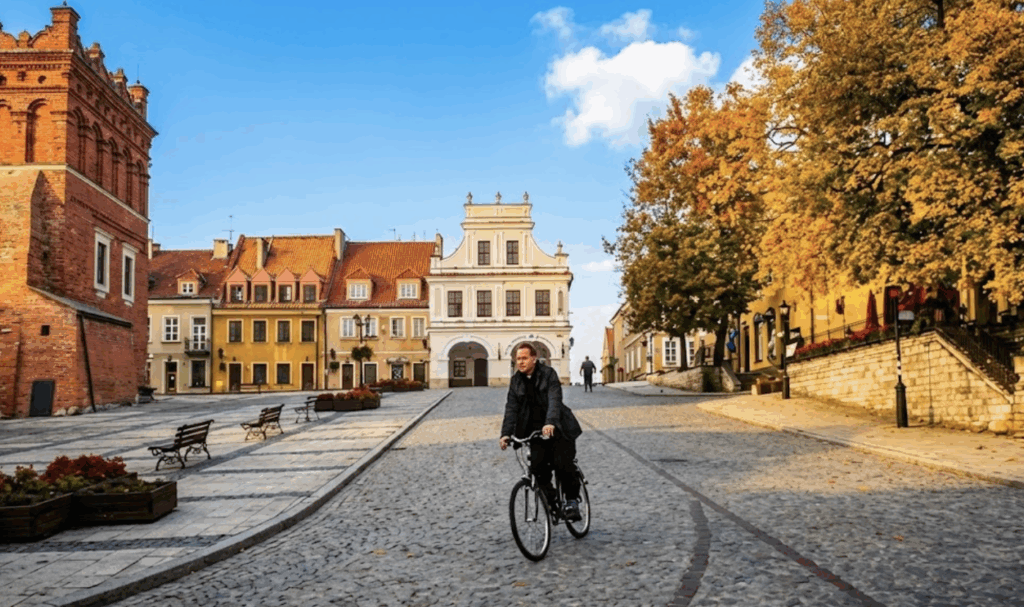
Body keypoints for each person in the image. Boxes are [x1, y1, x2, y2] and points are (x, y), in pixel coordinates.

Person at [499, 343, 583, 520]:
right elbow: (511, 408)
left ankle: (572, 501)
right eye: (518, 358)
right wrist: (506, 433)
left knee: (562, 464)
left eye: (524, 358)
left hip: (559, 428)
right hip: (534, 431)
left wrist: (551, 422)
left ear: (534, 359)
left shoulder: (548, 374)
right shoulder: (516, 381)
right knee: (537, 469)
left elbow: (554, 398)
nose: (520, 362)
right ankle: (553, 503)